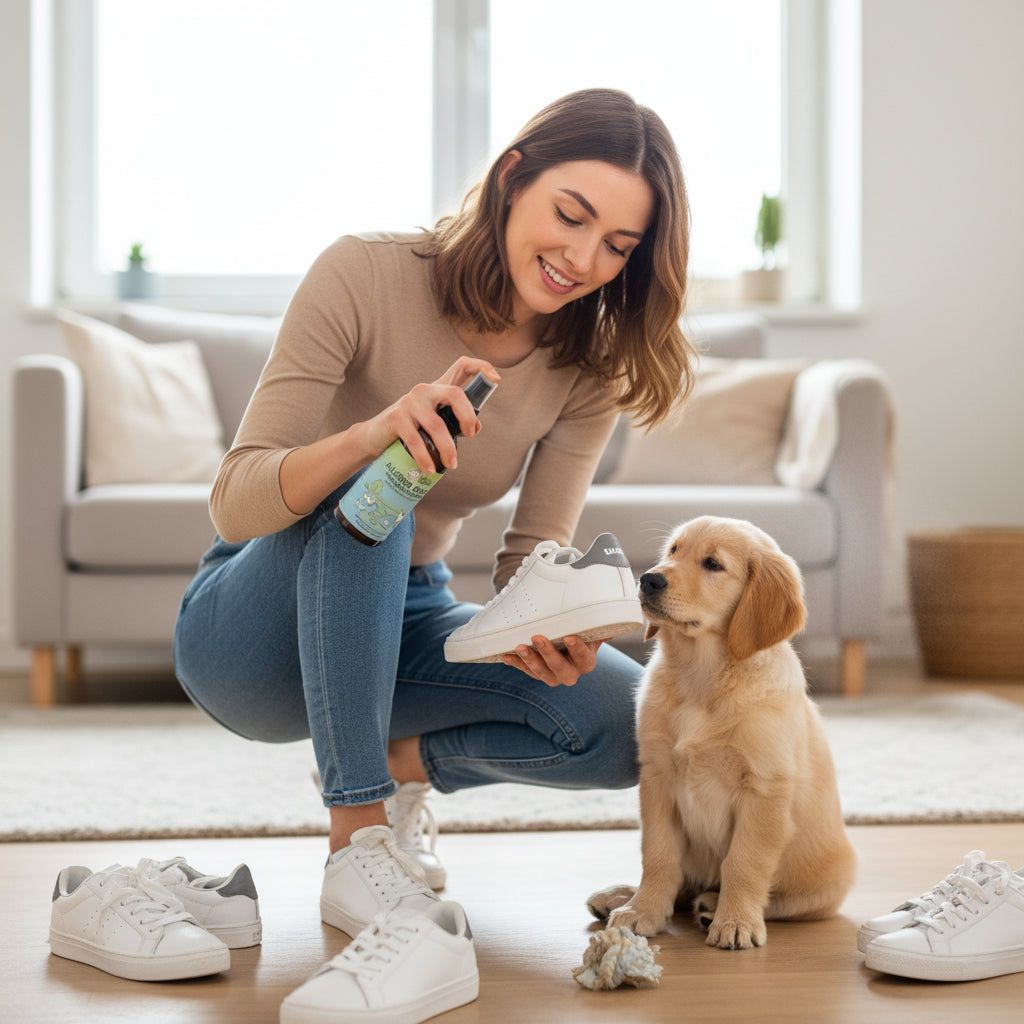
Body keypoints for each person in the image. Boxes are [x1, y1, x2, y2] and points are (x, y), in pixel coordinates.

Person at [172, 87, 697, 900]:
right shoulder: (365, 271)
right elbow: (235, 502)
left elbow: (531, 562)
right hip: (249, 633)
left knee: (629, 727)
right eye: (570, 214)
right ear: (512, 178)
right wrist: (372, 437)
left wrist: (549, 634)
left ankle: (393, 764)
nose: (584, 259)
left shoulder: (585, 364)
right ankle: (359, 843)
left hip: (410, 614)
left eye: (618, 245)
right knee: (383, 483)